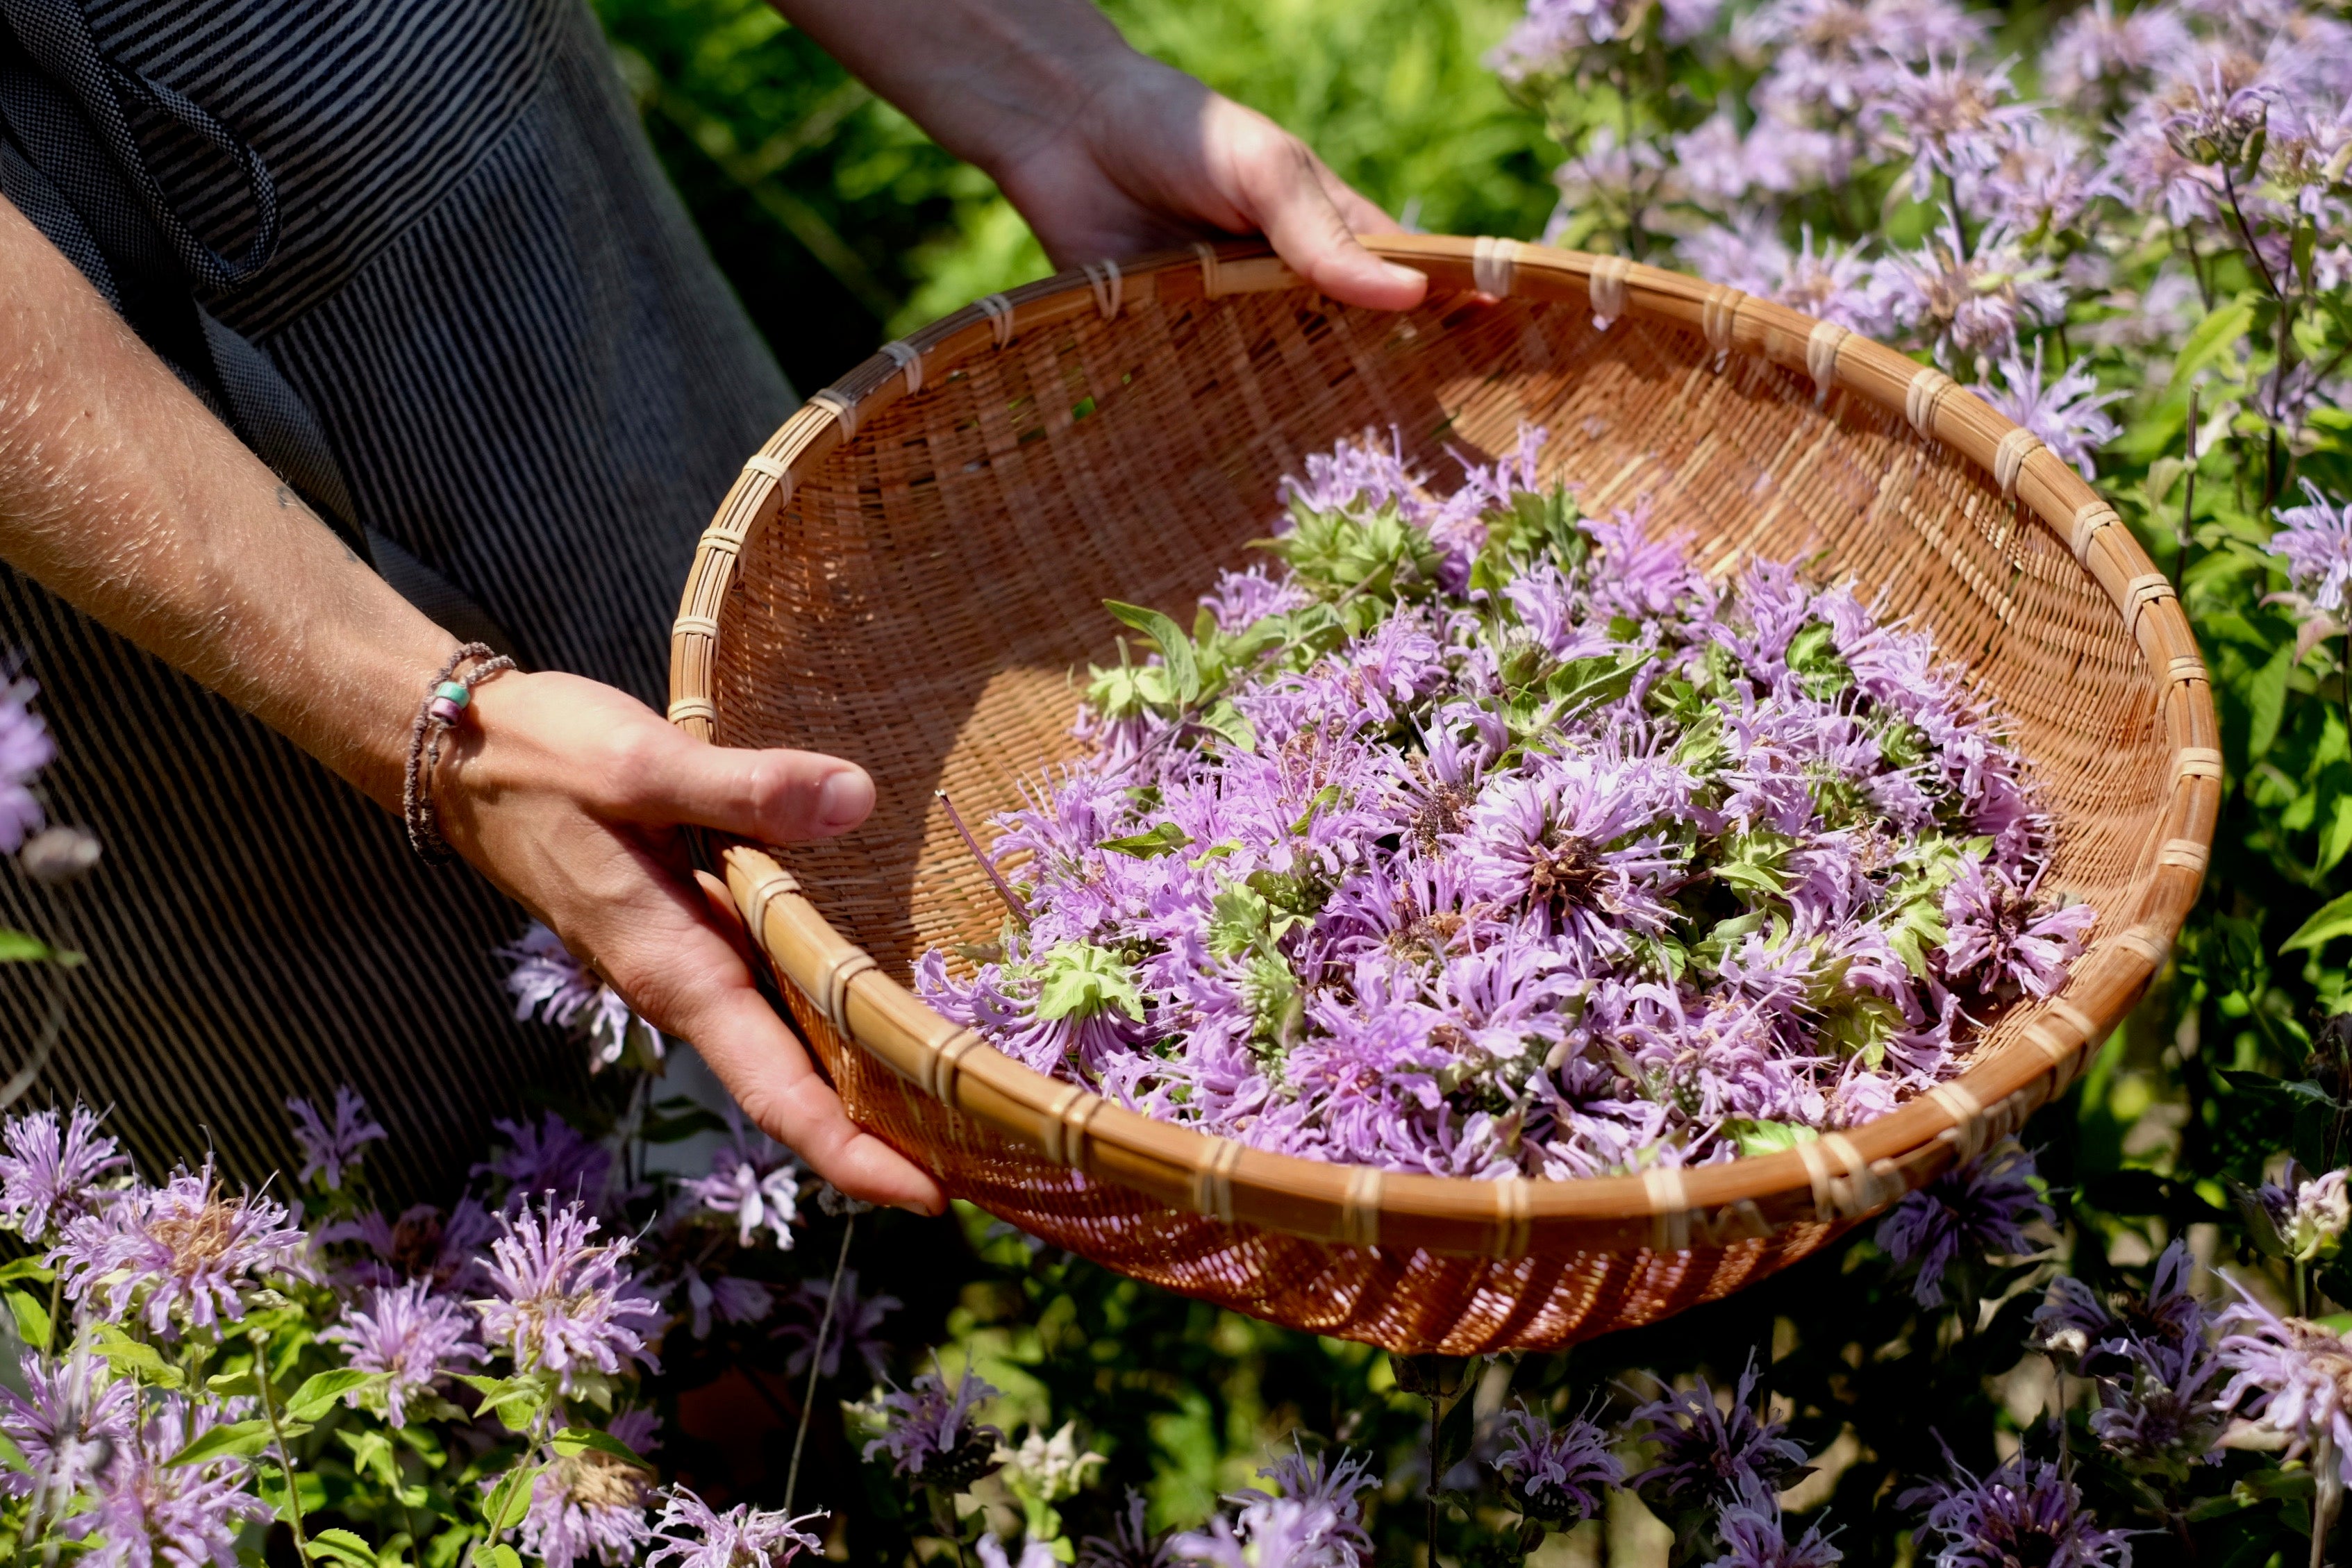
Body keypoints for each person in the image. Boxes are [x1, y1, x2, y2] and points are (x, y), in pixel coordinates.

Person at [0, 0, 1428, 1208]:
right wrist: (421, 715)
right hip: (98, 588)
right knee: (405, 1248)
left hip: (485, 230)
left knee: (871, 957)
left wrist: (1049, 83)